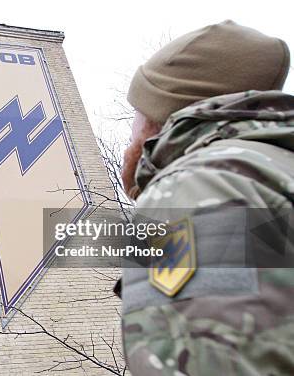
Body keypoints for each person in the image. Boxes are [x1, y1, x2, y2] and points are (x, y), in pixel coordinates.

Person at [120, 20, 293, 375]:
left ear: (157, 116)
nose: (131, 131)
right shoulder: (274, 167)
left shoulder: (196, 187)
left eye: (137, 112)